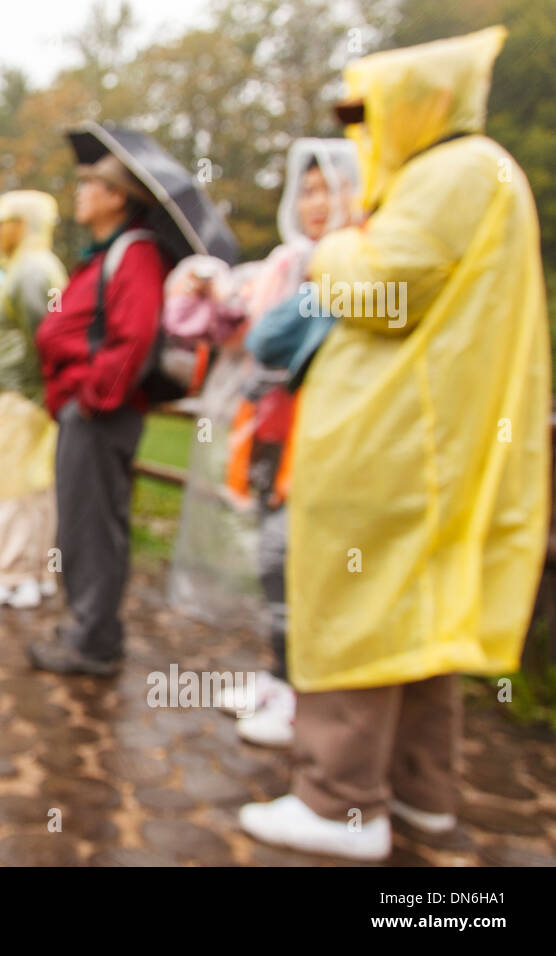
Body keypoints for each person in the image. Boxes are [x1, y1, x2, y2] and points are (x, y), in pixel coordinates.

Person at [240, 27, 550, 861]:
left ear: (422, 104)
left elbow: (379, 290)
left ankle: (341, 800)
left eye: (368, 111)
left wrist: (336, 245)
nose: (359, 130)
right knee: (413, 622)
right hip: (425, 443)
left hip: (391, 445)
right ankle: (421, 796)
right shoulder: (479, 175)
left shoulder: (451, 173)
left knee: (353, 611)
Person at [178, 140, 360, 748]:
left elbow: (278, 337)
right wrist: (209, 292)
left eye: (330, 189)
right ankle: (282, 679)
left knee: (309, 566)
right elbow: (238, 326)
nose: (317, 203)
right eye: (307, 189)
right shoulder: (286, 263)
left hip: (327, 439)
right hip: (270, 438)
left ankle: (308, 697)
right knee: (274, 563)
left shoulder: (357, 261)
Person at [26, 145, 169, 675]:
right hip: (84, 411)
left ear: (117, 196)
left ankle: (94, 642)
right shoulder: (104, 254)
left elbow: (134, 336)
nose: (79, 193)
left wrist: (91, 399)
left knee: (93, 527)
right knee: (81, 525)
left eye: (90, 184)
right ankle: (86, 623)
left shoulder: (134, 253)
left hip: (100, 414)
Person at [0, 191, 68, 609]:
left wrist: (34, 389)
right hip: (30, 398)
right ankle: (37, 575)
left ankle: (12, 575)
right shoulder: (36, 268)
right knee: (35, 486)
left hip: (20, 397)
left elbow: (47, 337)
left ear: (20, 224)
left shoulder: (30, 272)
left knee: (11, 488)